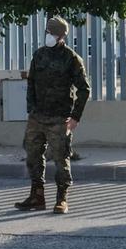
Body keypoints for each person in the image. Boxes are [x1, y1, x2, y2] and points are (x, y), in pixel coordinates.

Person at [13, 15, 91, 215]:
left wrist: (75, 117)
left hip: (59, 118)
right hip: (37, 116)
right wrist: (31, 108)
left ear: (61, 36)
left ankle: (62, 198)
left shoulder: (71, 58)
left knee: (61, 158)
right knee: (32, 155)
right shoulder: (39, 55)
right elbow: (31, 83)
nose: (49, 35)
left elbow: (84, 89)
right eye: (48, 32)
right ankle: (37, 195)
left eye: (53, 33)